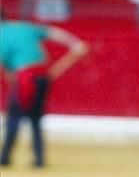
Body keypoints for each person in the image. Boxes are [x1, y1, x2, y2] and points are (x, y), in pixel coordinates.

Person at [0, 18, 89, 167]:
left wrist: (12, 78)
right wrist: (76, 43)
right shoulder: (24, 27)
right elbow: (53, 32)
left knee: (14, 117)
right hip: (42, 76)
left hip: (24, 77)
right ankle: (39, 159)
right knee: (35, 118)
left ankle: (5, 157)